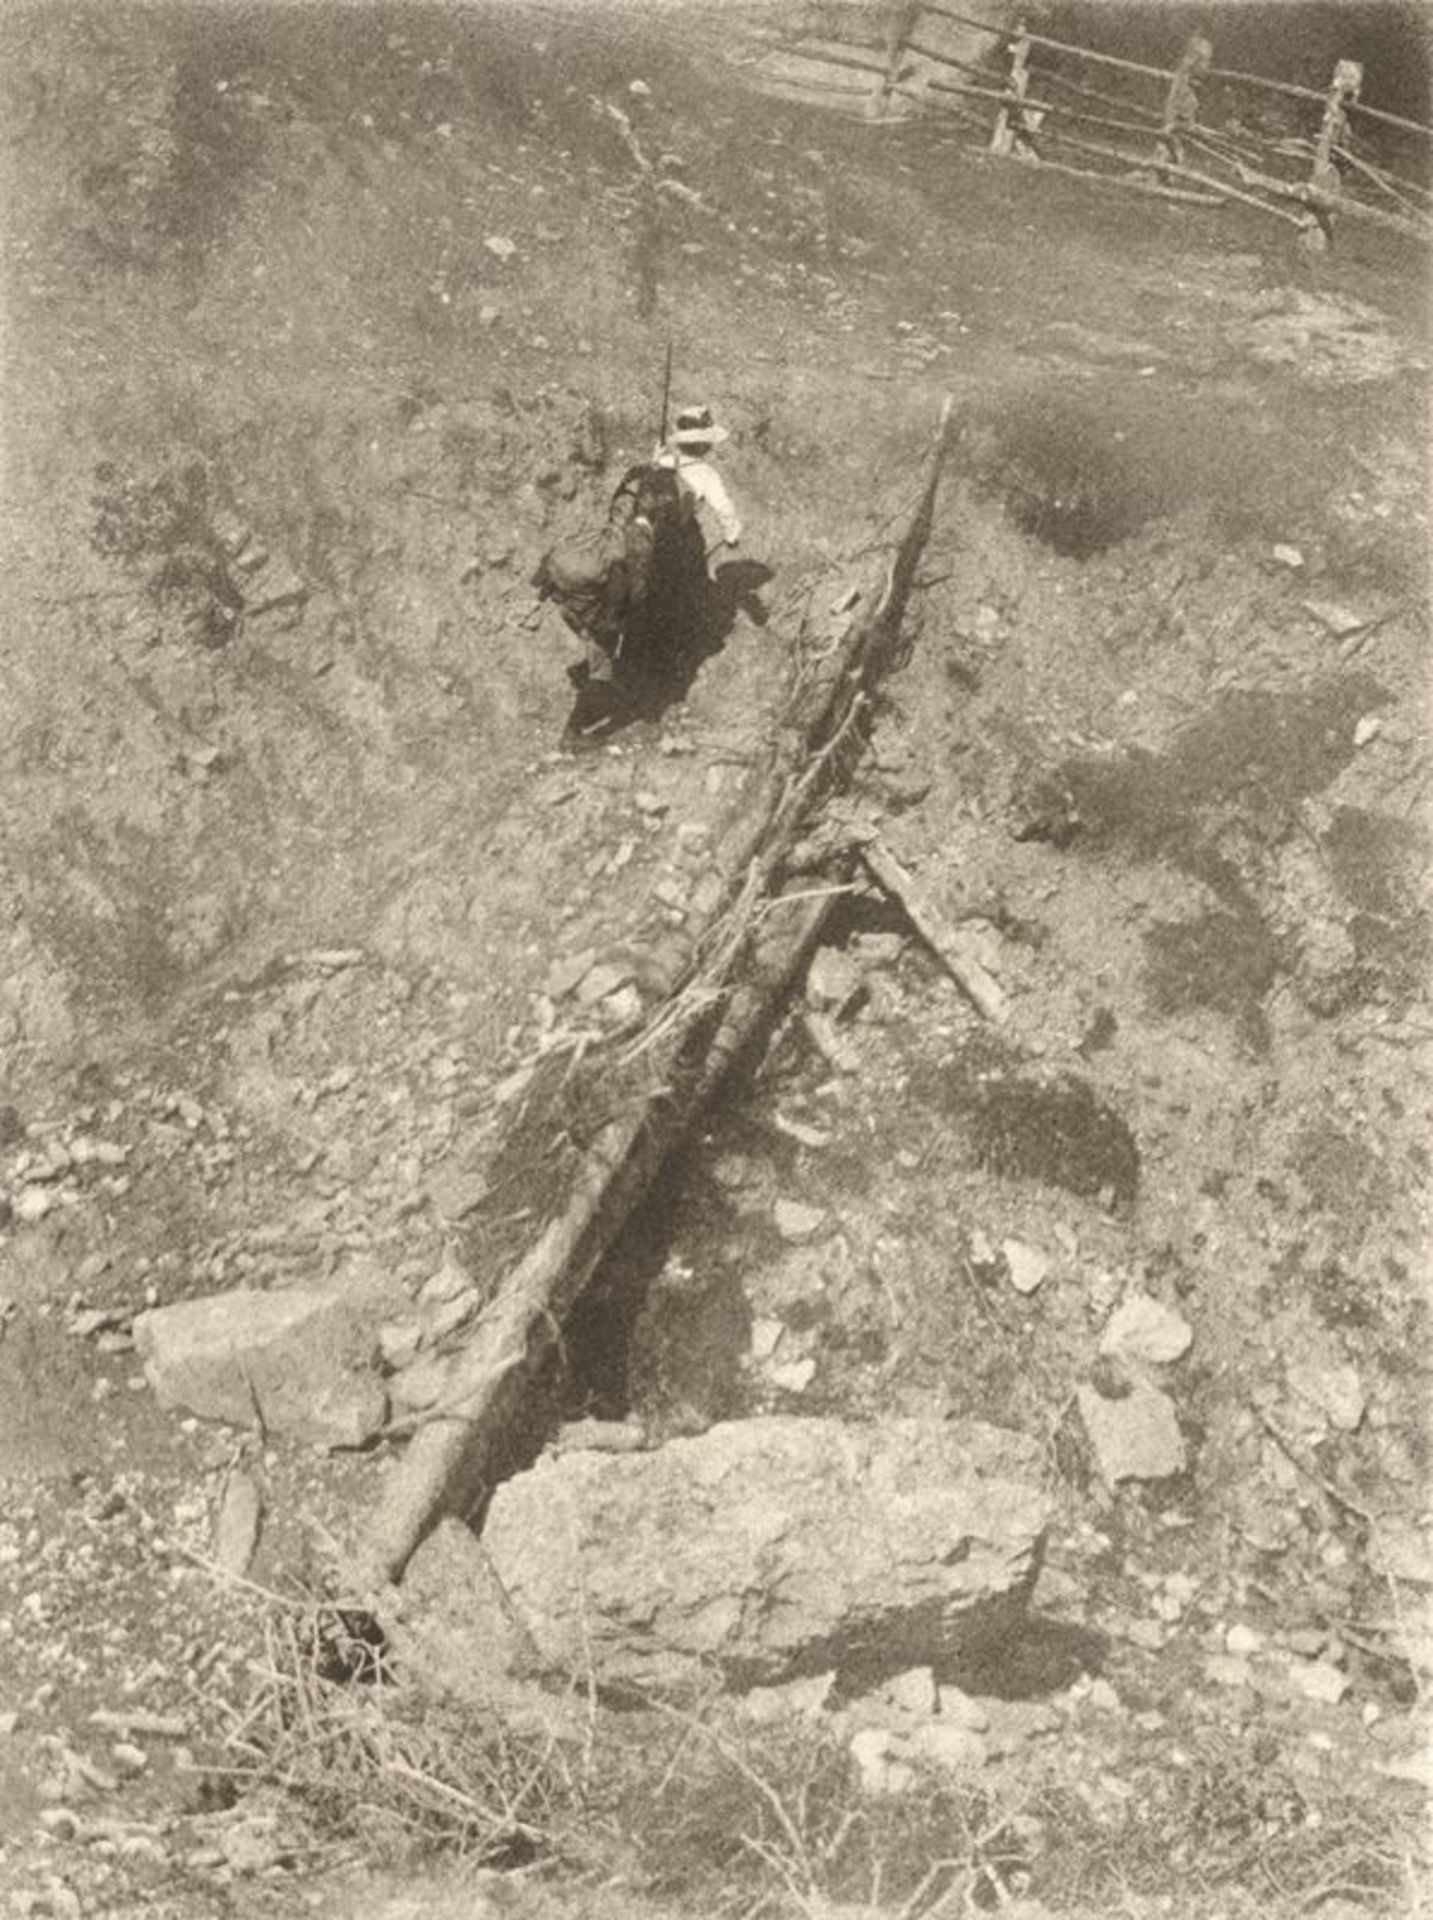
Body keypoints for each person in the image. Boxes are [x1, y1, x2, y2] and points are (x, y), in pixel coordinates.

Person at [654, 405, 742, 578]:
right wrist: (731, 533)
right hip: (680, 535)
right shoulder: (707, 474)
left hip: (652, 529)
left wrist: (656, 458)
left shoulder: (663, 462)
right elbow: (724, 508)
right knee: (695, 574)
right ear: (705, 446)